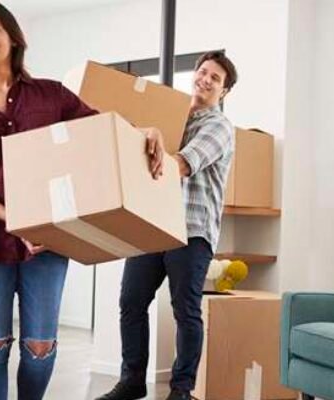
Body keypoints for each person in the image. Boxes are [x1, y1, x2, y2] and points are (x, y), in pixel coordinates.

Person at [0, 2, 101, 399]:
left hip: (47, 242)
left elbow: (101, 134)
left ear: (12, 36)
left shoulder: (52, 96)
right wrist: (15, 217)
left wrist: (144, 131)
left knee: (41, 348)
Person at [97, 51, 239, 400]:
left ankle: (181, 390)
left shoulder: (219, 127)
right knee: (131, 302)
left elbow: (181, 165)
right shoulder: (170, 117)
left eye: (215, 78)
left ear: (224, 92)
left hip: (191, 231)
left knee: (185, 311)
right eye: (203, 72)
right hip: (151, 227)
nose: (205, 79)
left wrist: (147, 146)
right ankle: (132, 381)